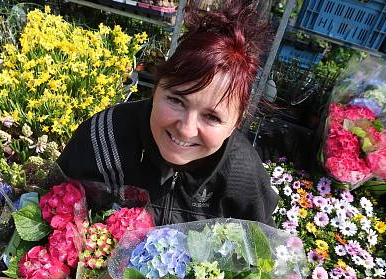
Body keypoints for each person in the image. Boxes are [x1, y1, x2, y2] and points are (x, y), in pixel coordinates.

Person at [56, 0, 279, 226]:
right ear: (156, 87)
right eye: (176, 101)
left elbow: (262, 253)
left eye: (212, 117)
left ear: (236, 122)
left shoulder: (242, 173)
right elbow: (51, 210)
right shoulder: (105, 136)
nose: (186, 129)